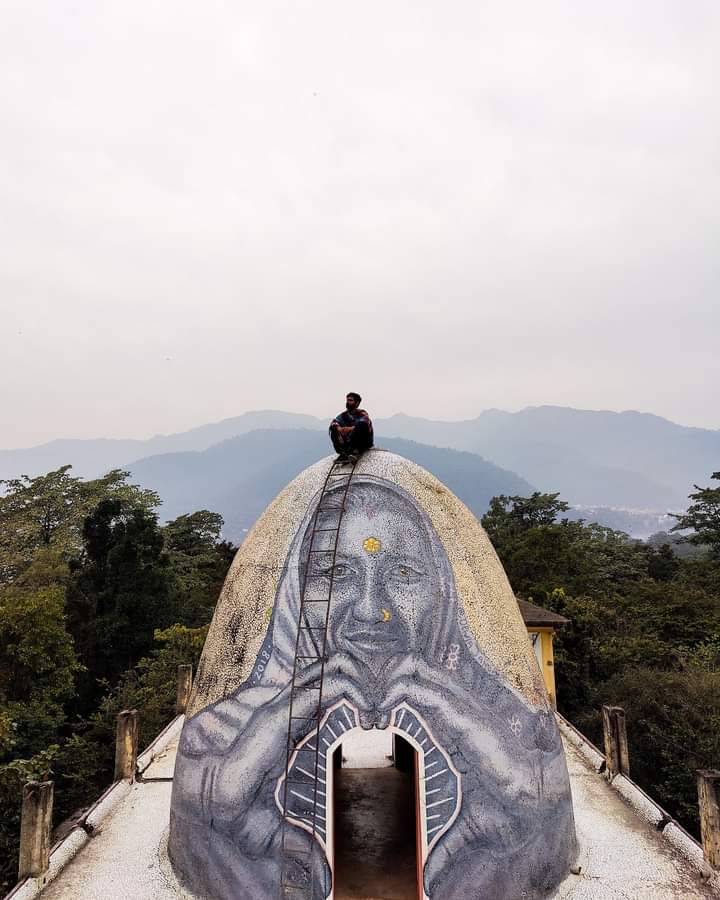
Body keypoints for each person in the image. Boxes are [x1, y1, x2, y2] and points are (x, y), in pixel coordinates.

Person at [168, 477, 576, 900]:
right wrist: (221, 785)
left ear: (445, 595)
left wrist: (515, 779)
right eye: (337, 572)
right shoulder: (218, 736)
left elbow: (535, 803)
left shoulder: (511, 731)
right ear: (294, 594)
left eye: (403, 573)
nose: (370, 610)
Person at [329, 392, 374, 462]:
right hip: (348, 441)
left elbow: (364, 422)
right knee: (333, 429)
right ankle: (343, 453)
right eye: (347, 400)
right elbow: (334, 422)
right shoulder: (343, 415)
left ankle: (355, 451)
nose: (347, 402)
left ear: (357, 403)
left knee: (361, 426)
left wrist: (347, 429)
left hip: (363, 442)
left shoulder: (362, 414)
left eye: (350, 400)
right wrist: (339, 429)